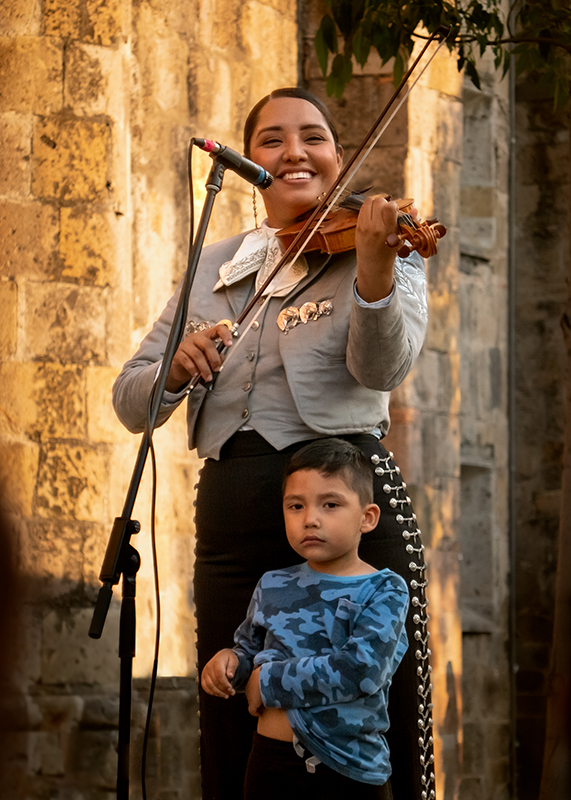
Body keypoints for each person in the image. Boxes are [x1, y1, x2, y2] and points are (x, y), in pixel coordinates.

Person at [112, 87, 434, 800]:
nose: (294, 151)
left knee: (378, 720)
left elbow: (381, 370)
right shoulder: (217, 265)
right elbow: (131, 401)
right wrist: (179, 367)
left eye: (313, 136)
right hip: (233, 513)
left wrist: (375, 271)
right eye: (271, 139)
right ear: (249, 159)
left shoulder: (380, 242)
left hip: (344, 504)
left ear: (337, 158)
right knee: (231, 714)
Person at [201, 439, 409, 800]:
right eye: (296, 506)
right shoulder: (273, 583)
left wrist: (270, 682)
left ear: (367, 517)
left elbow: (360, 671)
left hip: (347, 771)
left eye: (330, 504)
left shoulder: (384, 589)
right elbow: (249, 652)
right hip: (269, 766)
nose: (310, 518)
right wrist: (229, 664)